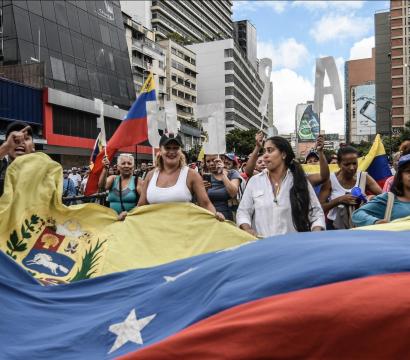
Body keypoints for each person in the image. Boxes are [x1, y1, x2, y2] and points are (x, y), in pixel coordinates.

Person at [237, 136, 325, 237]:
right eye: (264, 151)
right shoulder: (255, 181)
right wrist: (247, 229)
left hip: (293, 249)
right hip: (261, 247)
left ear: (283, 154)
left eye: (270, 151)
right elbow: (243, 212)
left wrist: (315, 233)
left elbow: (317, 214)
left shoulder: (299, 180)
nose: (265, 155)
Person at [138, 133, 224, 221]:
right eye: (167, 148)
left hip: (184, 232)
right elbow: (141, 207)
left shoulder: (191, 175)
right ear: (160, 150)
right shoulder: (150, 175)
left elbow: (205, 204)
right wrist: (128, 217)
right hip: (154, 232)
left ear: (180, 150)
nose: (172, 151)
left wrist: (216, 216)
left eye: (175, 148)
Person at [319, 146, 382, 229]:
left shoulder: (364, 177)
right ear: (339, 164)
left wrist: (369, 198)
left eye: (354, 163)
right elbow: (320, 208)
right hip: (335, 226)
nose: (352, 168)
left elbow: (384, 197)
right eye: (347, 164)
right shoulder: (330, 180)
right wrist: (340, 200)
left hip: (360, 225)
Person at [352, 153, 410, 226]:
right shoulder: (388, 199)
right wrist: (376, 222)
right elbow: (357, 215)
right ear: (400, 175)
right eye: (408, 171)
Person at [99, 153, 142, 220]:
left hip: (131, 221)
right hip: (112, 220)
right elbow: (102, 186)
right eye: (123, 163)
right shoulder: (113, 179)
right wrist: (105, 169)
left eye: (129, 163)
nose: (126, 166)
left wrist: (129, 214)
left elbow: (145, 202)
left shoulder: (138, 181)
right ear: (118, 167)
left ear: (133, 167)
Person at [0, 121, 34, 196]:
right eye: (14, 139)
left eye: (26, 138)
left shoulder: (45, 172)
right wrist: (3, 149)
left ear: (33, 147)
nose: (20, 142)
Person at [204, 154, 242, 221]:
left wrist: (222, 174)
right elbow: (200, 201)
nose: (211, 163)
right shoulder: (206, 178)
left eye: (214, 160)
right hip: (211, 217)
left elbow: (233, 193)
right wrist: (203, 189)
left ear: (222, 160)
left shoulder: (232, 174)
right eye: (208, 161)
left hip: (229, 218)